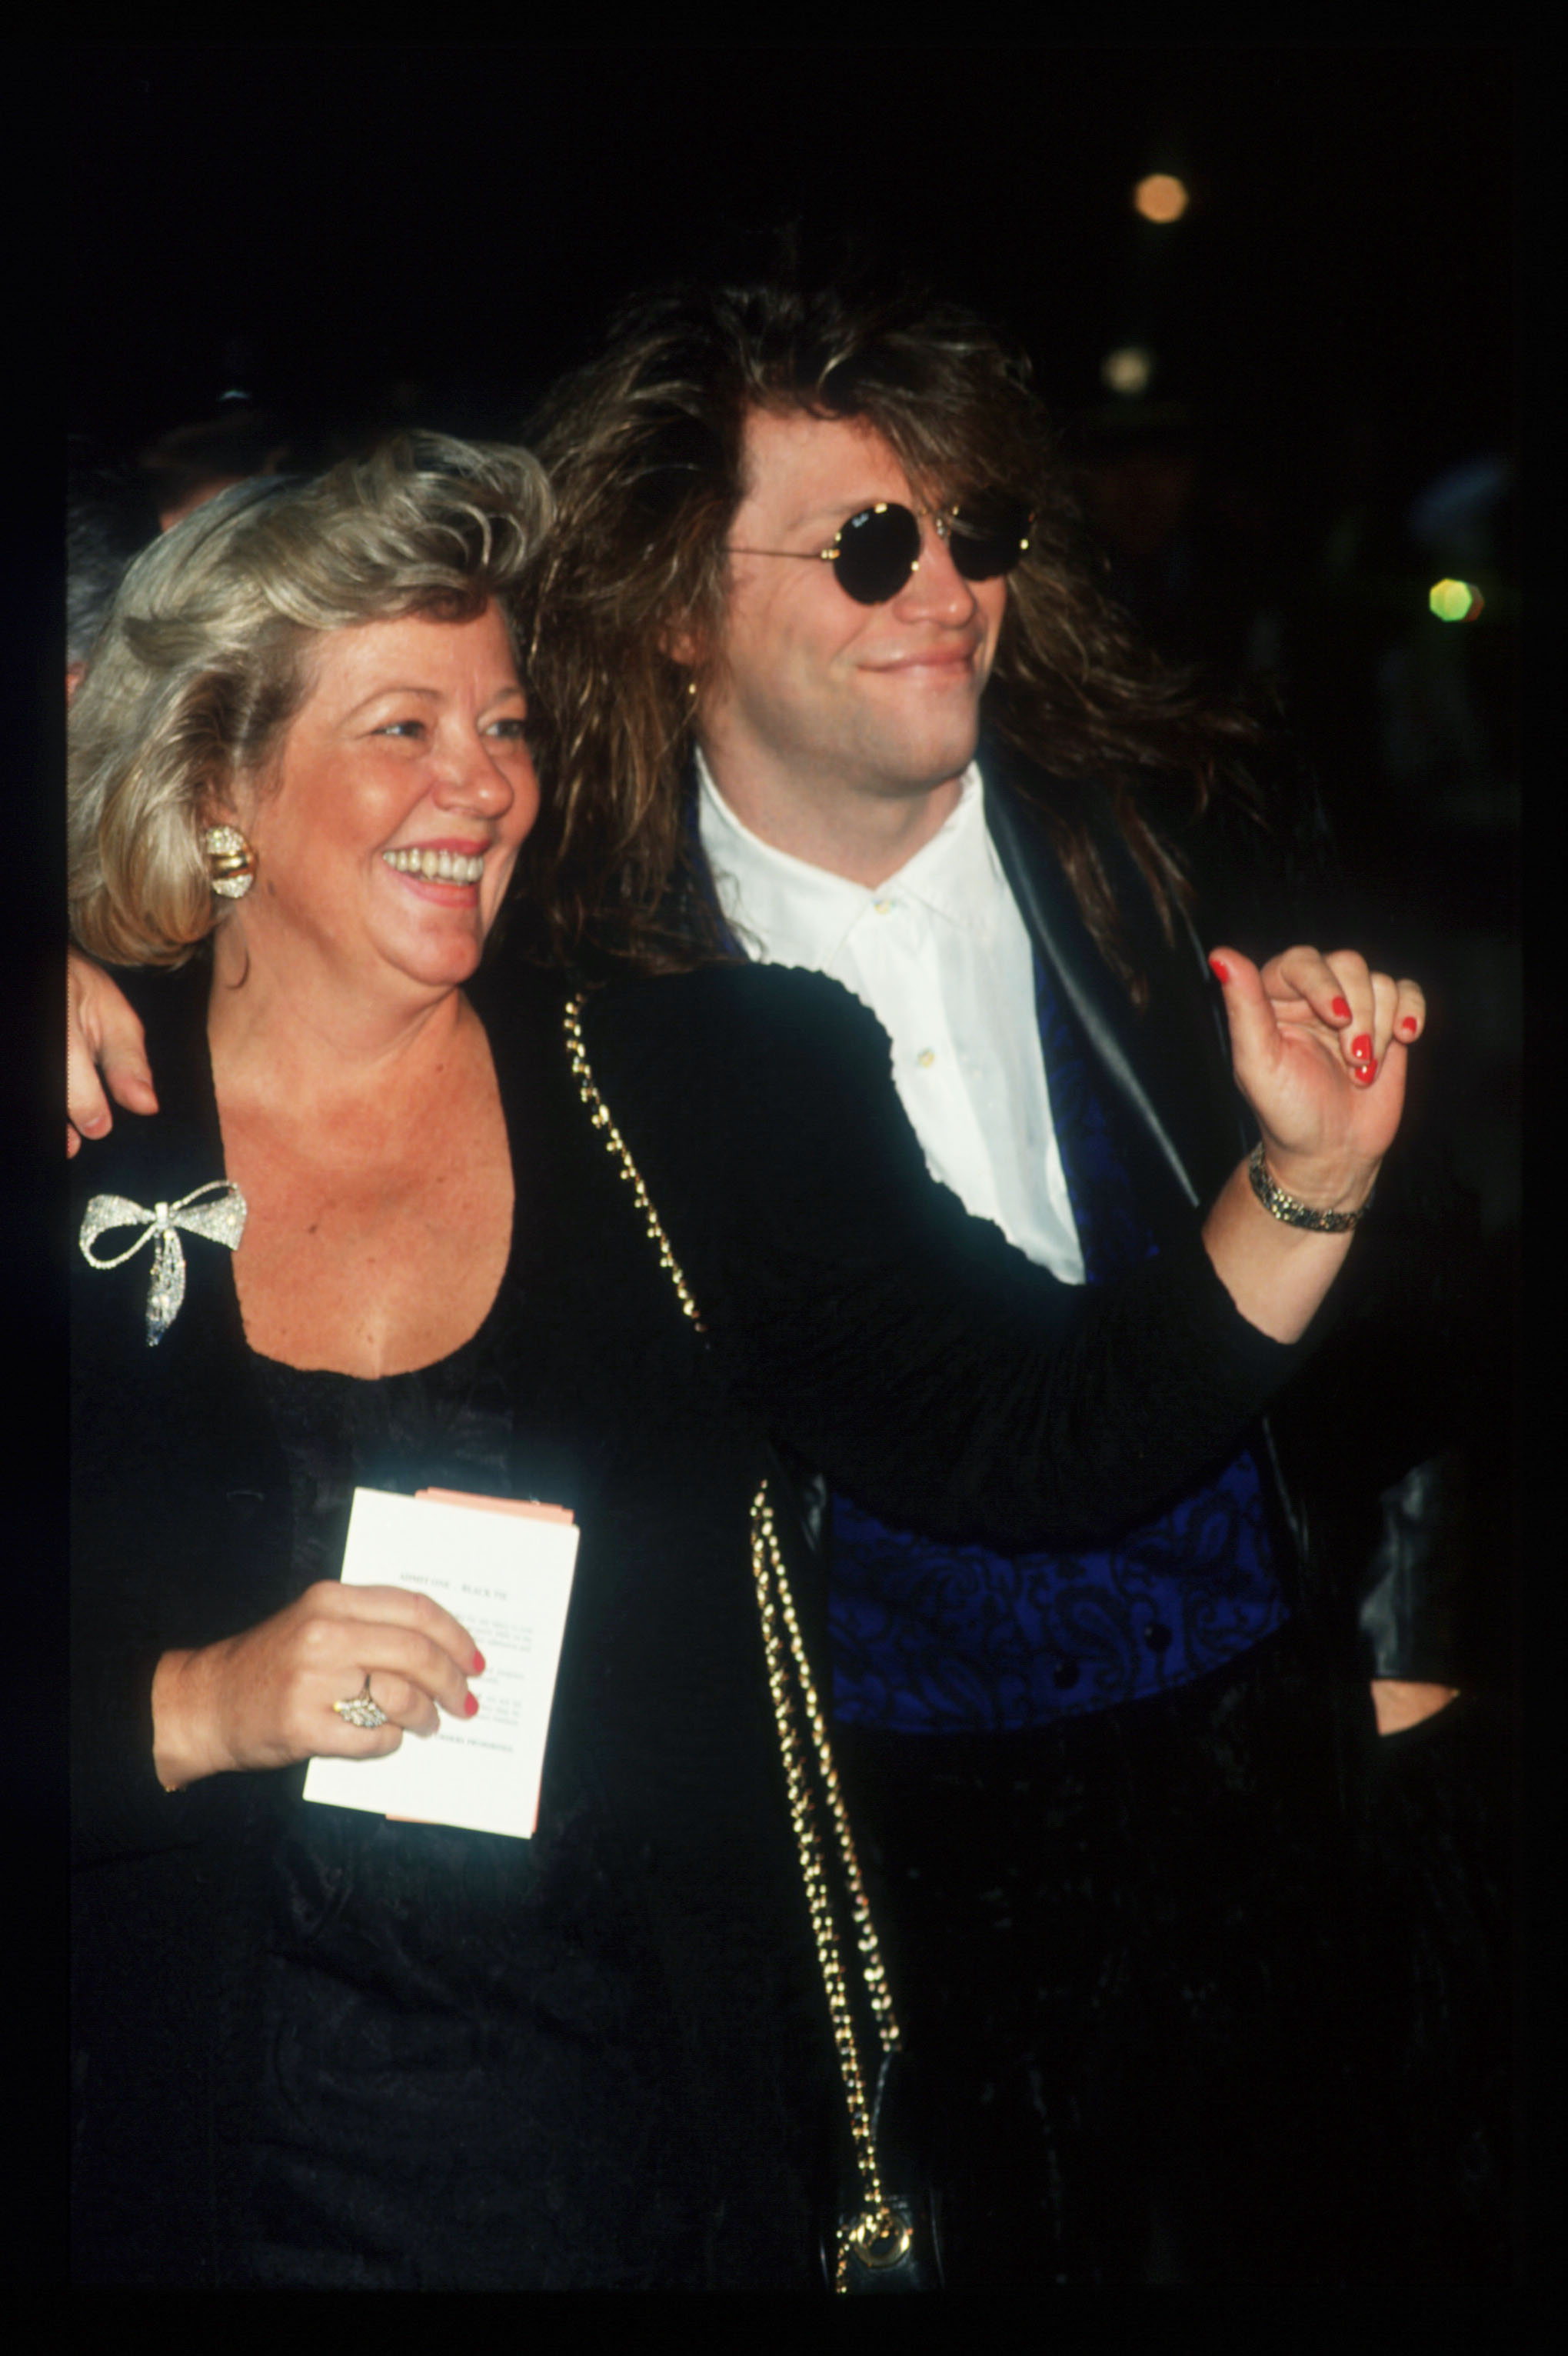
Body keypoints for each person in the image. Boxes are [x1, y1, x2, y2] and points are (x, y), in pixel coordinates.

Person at [68, 429, 1416, 2291]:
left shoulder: (697, 1095)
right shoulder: (78, 1117)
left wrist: (1309, 1176)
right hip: (166, 2186)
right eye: (405, 728)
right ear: (223, 773)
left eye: (511, 725)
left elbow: (1042, 1433)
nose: (486, 786)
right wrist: (202, 1702)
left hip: (640, 2174)